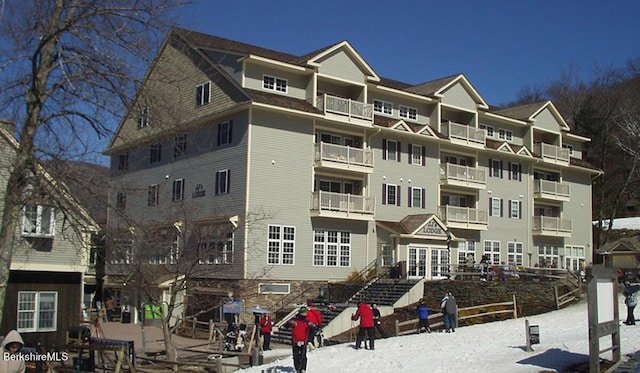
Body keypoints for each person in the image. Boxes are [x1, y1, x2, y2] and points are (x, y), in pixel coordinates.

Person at [289, 306, 314, 373]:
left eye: (305, 313)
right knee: (296, 355)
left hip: (303, 340)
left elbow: (313, 330)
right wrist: (291, 323)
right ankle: (297, 368)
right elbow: (287, 325)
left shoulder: (307, 321)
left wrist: (312, 326)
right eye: (303, 313)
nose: (304, 314)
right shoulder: (295, 320)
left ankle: (303, 368)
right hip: (295, 340)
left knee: (303, 355)